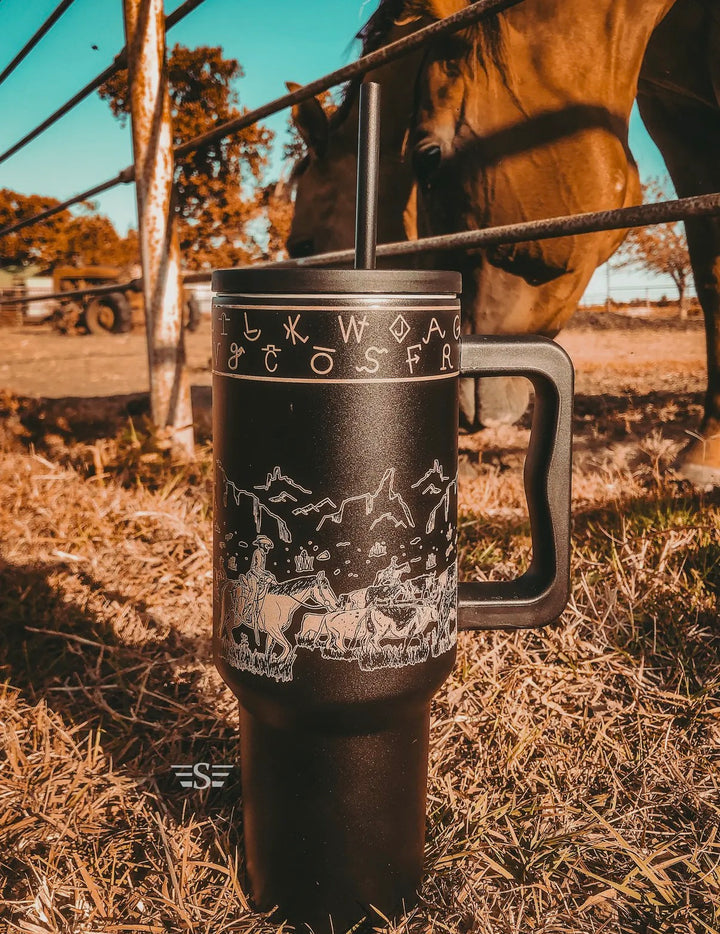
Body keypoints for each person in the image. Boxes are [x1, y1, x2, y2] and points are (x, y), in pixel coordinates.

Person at [245, 535, 276, 644]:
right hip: (253, 576)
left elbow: (262, 569)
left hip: (259, 576)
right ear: (262, 545)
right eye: (267, 546)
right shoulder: (257, 552)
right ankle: (247, 611)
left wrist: (269, 575)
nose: (268, 548)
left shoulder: (263, 554)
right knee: (253, 593)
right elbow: (255, 568)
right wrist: (265, 576)